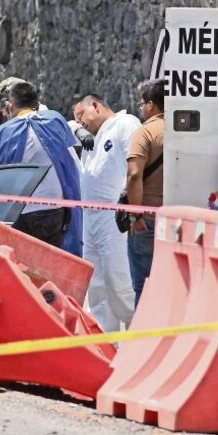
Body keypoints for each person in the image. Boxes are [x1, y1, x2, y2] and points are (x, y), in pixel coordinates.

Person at [0, 80, 83, 256]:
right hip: (53, 210)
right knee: (51, 261)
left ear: (10, 105)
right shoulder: (55, 119)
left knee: (20, 263)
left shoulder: (0, 133)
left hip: (17, 213)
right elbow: (68, 143)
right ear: (37, 104)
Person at [73, 93, 142, 331]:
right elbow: (64, 125)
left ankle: (137, 329)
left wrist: (127, 200)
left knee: (119, 278)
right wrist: (77, 129)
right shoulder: (89, 137)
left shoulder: (125, 124)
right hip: (90, 218)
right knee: (97, 284)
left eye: (81, 116)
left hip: (113, 216)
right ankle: (105, 337)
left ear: (95, 106)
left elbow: (136, 164)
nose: (81, 123)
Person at [125, 78, 166, 304]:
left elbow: (134, 175)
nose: (141, 109)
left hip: (147, 219)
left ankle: (143, 326)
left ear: (151, 105)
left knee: (144, 286)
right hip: (177, 219)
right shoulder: (184, 130)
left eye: (142, 104)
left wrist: (136, 215)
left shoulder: (146, 132)